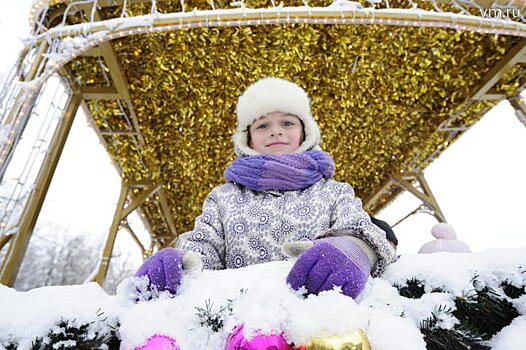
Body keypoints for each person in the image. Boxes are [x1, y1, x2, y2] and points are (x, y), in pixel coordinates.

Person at [136, 77, 397, 300]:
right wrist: (181, 265)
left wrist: (352, 249)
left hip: (314, 319)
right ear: (247, 137)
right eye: (262, 125)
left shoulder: (335, 192)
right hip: (241, 319)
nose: (275, 132)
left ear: (305, 132)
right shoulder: (223, 198)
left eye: (287, 123)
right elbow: (204, 248)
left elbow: (363, 233)